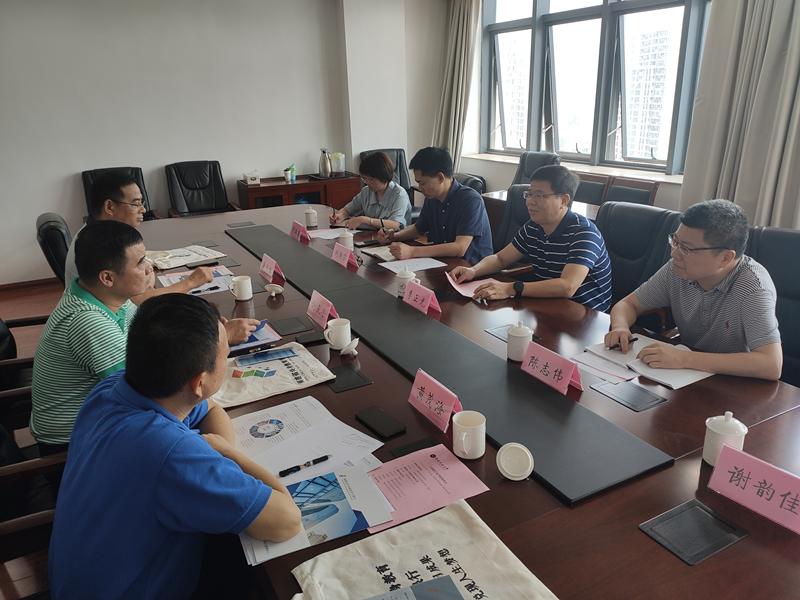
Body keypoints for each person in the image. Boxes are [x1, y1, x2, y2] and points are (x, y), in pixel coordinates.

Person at [48, 294, 301, 599]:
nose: (227, 358)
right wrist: (227, 453)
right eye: (226, 354)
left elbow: (209, 409)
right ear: (199, 382)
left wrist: (216, 460)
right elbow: (287, 521)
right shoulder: (171, 453)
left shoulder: (113, 387)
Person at [31, 221, 257, 452]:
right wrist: (216, 341)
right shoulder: (88, 322)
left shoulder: (107, 298)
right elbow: (148, 393)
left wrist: (205, 333)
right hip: (76, 441)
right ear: (107, 278)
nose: (150, 268)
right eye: (140, 263)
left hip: (109, 413)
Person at [605, 199, 782, 380]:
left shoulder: (753, 287)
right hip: (685, 376)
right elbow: (628, 304)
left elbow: (771, 364)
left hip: (733, 383)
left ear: (725, 258)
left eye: (687, 248)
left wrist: (684, 358)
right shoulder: (676, 269)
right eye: (675, 241)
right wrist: (620, 327)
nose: (674, 253)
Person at [450, 165, 612, 311]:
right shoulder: (534, 226)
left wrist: (511, 288)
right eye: (529, 194)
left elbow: (567, 286)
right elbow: (500, 259)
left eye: (539, 195)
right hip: (547, 304)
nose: (530, 202)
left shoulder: (584, 233)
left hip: (585, 315)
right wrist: (473, 271)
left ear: (563, 200)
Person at [64, 171, 214, 300]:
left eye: (142, 203)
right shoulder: (97, 246)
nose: (143, 209)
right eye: (135, 204)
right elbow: (139, 301)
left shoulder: (100, 232)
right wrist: (191, 282)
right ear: (109, 207)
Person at [377, 147, 493, 263]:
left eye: (422, 183)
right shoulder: (432, 198)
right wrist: (393, 236)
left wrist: (412, 251)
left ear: (440, 177)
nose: (420, 188)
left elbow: (459, 248)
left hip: (471, 266)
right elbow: (418, 228)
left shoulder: (470, 200)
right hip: (441, 261)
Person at [330, 151, 411, 230]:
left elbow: (396, 225)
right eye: (365, 178)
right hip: (371, 235)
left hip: (395, 236)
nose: (367, 183)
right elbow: (347, 210)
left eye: (372, 179)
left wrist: (365, 220)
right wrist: (340, 215)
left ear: (384, 176)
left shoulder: (399, 195)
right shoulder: (366, 192)